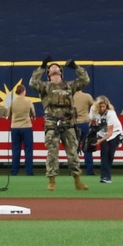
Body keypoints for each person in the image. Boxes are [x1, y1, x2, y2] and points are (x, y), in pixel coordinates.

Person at [29, 57, 90, 191]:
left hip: (68, 123)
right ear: (49, 73)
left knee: (73, 153)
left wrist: (75, 67)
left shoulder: (69, 85)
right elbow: (33, 83)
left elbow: (85, 80)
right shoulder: (45, 86)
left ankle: (77, 181)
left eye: (57, 68)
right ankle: (52, 181)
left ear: (61, 72)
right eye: (51, 68)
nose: (54, 68)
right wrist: (42, 66)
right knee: (52, 153)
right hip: (52, 124)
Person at [89, 95, 123, 184]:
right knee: (103, 154)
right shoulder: (93, 109)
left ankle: (106, 172)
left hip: (114, 133)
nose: (102, 108)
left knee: (110, 154)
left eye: (104, 106)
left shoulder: (111, 113)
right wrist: (92, 132)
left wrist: (99, 141)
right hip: (101, 132)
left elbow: (110, 132)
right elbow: (90, 120)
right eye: (100, 106)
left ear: (107, 106)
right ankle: (105, 176)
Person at [8, 84, 36, 176]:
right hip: (26, 127)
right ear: (24, 91)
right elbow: (33, 115)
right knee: (28, 149)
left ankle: (14, 170)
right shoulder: (28, 102)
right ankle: (29, 171)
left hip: (15, 127)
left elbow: (9, 115)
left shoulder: (12, 102)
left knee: (16, 149)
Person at [73, 87, 95, 176]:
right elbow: (95, 106)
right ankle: (89, 170)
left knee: (73, 148)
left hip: (73, 124)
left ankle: (74, 170)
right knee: (87, 147)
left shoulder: (70, 96)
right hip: (85, 124)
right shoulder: (87, 96)